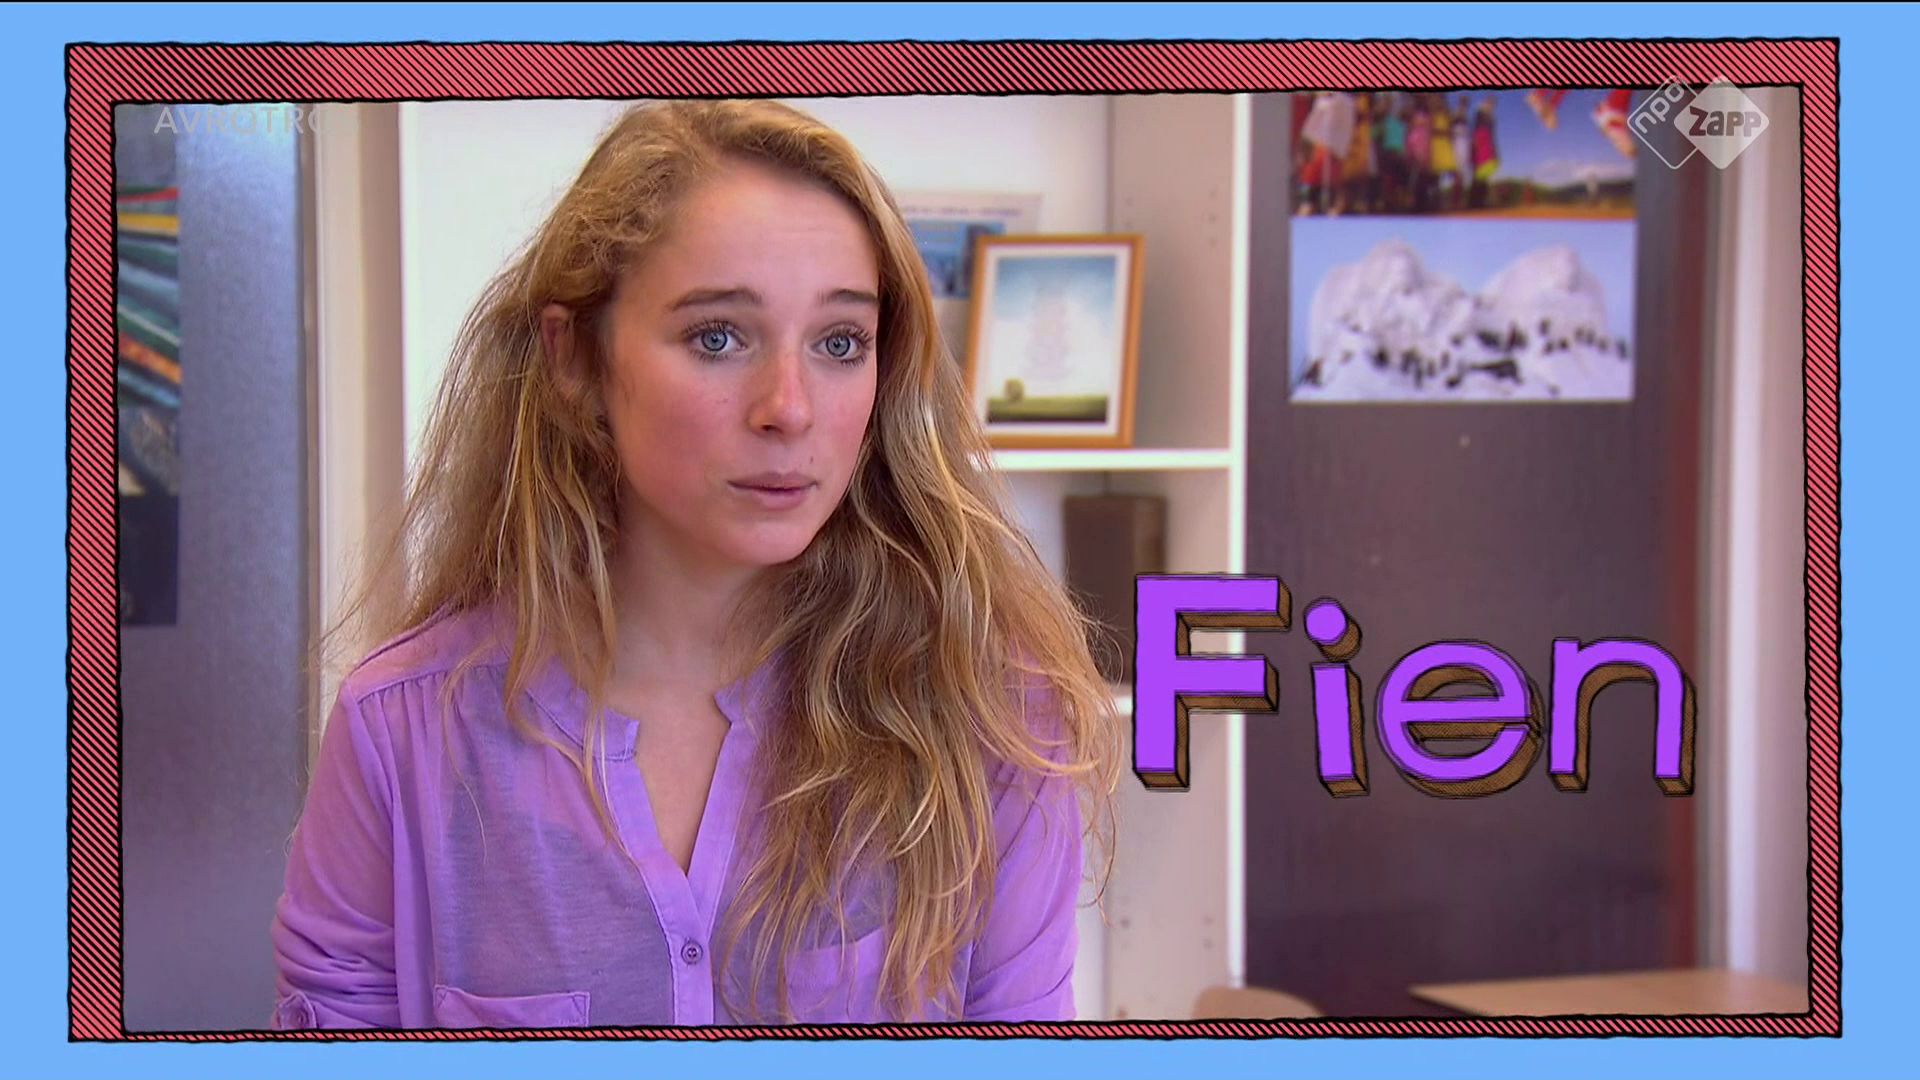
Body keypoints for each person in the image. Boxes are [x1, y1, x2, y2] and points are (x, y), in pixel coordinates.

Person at [270, 99, 1123, 1029]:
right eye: (718, 336)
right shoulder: (400, 733)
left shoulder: (997, 720)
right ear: (575, 359)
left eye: (841, 343)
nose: (789, 408)